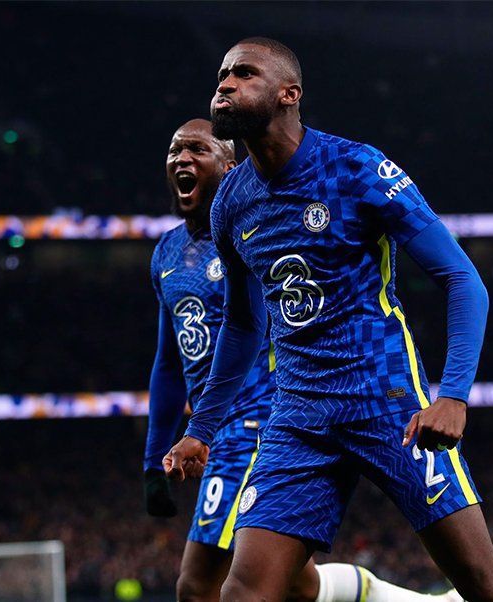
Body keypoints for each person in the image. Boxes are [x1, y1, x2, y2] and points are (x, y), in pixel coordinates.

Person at [163, 38, 493, 602]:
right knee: (244, 593)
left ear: (289, 94)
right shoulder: (231, 201)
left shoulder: (356, 168)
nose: (225, 83)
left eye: (244, 73)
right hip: (297, 417)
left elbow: (463, 279)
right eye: (223, 74)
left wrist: (454, 395)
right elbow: (244, 327)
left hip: (385, 400)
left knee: (490, 587)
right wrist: (201, 429)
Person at [146, 118, 459, 602]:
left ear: (230, 167)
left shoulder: (261, 229)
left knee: (198, 585)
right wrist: (155, 457)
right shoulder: (166, 252)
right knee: (294, 583)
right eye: (175, 150)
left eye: (197, 149)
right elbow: (169, 364)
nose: (182, 159)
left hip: (260, 421)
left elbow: (255, 325)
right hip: (218, 428)